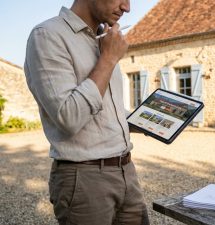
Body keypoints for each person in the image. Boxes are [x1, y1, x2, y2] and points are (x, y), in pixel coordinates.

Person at [24, 0, 150, 224]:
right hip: (84, 179)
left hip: (127, 172)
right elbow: (68, 117)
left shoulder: (105, 39)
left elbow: (104, 110)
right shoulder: (48, 36)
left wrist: (149, 121)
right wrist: (109, 59)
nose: (127, 7)